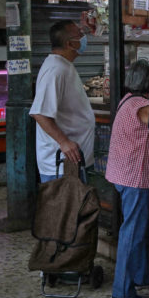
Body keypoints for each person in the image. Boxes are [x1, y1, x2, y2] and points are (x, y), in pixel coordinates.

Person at [106, 59, 149, 298]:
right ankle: (121, 292)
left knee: (141, 228)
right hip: (136, 177)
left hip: (126, 174)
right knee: (133, 231)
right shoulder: (143, 106)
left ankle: (141, 277)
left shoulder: (126, 100)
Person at [30, 20, 95, 181]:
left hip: (73, 162)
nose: (83, 37)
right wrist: (64, 142)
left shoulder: (63, 66)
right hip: (61, 165)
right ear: (70, 44)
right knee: (65, 205)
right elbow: (40, 113)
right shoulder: (55, 70)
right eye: (79, 34)